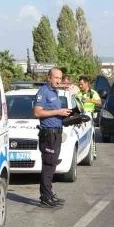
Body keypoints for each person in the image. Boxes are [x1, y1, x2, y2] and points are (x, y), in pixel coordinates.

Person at [33, 68, 72, 208]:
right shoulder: (43, 91)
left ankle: (49, 194)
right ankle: (45, 197)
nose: (58, 80)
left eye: (60, 78)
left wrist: (69, 118)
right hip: (48, 134)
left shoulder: (55, 91)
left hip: (56, 132)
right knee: (48, 165)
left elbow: (55, 114)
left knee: (52, 164)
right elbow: (37, 112)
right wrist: (58, 111)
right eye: (56, 77)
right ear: (48, 77)